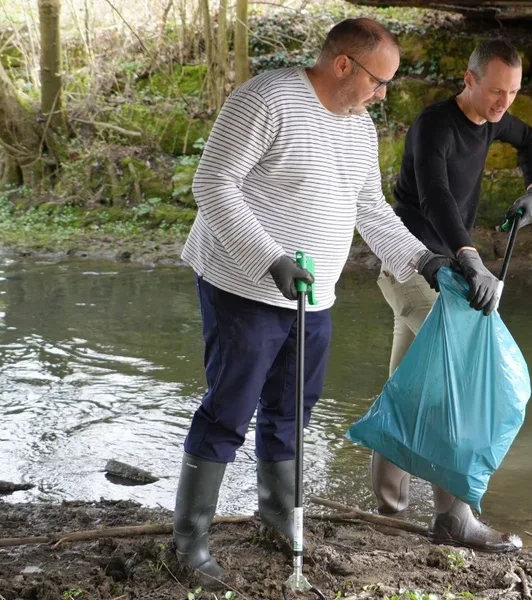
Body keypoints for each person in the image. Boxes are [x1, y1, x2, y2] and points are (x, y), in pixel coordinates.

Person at [170, 18, 497, 584]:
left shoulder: (358, 126)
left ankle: (277, 518)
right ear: (343, 63)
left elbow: (370, 209)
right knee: (229, 408)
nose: (382, 94)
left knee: (294, 410)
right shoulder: (267, 99)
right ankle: (190, 543)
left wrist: (425, 261)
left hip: (312, 295)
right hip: (243, 285)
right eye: (379, 81)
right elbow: (214, 184)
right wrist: (268, 258)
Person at [372, 38, 532, 553]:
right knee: (460, 379)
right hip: (410, 263)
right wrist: (472, 260)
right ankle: (455, 517)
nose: (503, 105)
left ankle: (387, 509)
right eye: (495, 91)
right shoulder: (434, 126)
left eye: (512, 93)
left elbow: (530, 139)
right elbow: (436, 197)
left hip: (448, 269)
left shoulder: (495, 118)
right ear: (469, 80)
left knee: (408, 383)